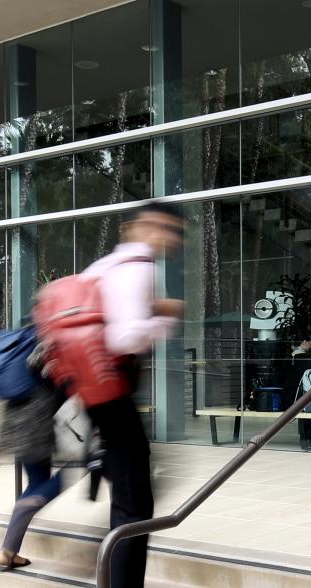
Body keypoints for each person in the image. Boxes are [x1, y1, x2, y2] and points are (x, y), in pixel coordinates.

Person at [84, 202, 184, 587]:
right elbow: (125, 336)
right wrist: (165, 316)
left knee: (129, 497)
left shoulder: (104, 267)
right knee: (135, 508)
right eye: (165, 228)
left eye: (174, 232)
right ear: (137, 227)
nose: (169, 238)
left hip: (92, 397)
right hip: (113, 396)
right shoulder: (142, 268)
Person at [0, 377, 66, 571]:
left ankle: (8, 550)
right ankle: (27, 504)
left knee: (37, 482)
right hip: (39, 416)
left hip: (15, 415)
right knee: (80, 467)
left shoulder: (19, 346)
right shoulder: (44, 346)